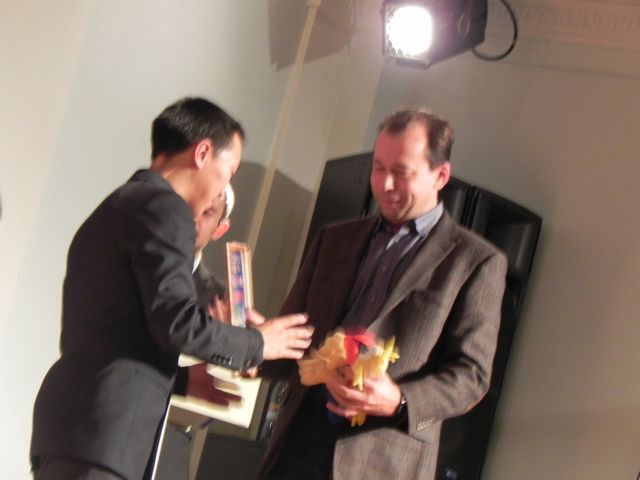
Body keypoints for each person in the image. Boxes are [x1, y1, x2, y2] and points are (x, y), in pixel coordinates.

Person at [30, 97, 313, 480]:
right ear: (202, 153)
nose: (224, 187)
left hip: (70, 427)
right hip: (107, 437)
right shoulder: (167, 208)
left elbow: (111, 337)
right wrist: (260, 343)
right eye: (229, 171)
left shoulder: (114, 207)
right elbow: (177, 322)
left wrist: (181, 380)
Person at [260, 109, 508, 479]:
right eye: (378, 168)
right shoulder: (334, 239)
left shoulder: (476, 262)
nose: (385, 184)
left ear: (441, 175)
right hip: (299, 437)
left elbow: (472, 376)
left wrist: (400, 401)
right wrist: (252, 342)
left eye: (402, 172)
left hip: (382, 457)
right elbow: (293, 340)